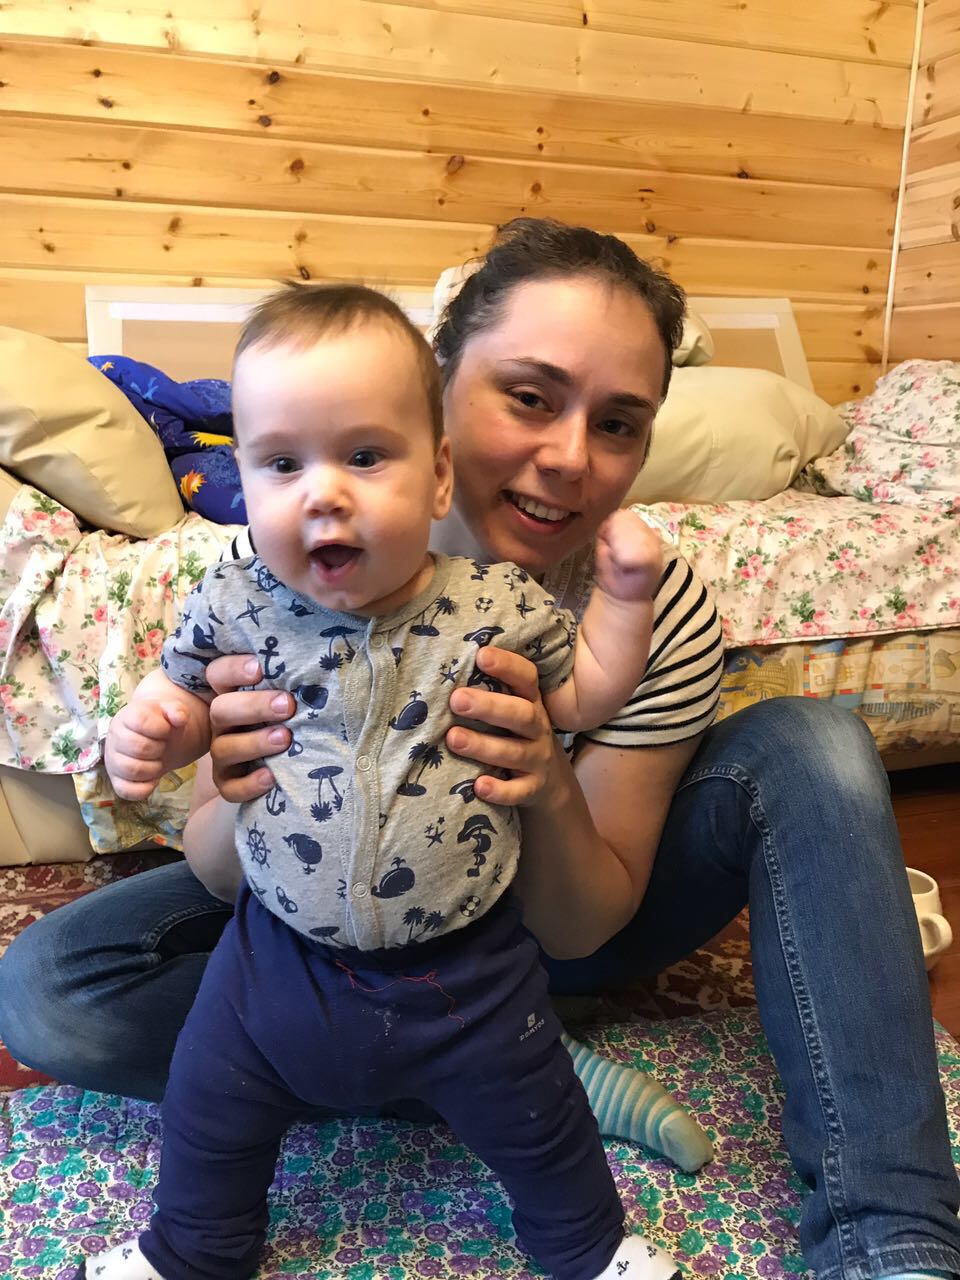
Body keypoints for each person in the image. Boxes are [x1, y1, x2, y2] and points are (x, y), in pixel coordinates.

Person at [1, 218, 958, 1280]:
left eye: (619, 423)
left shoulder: (645, 608)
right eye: (531, 396)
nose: (570, 458)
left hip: (533, 931)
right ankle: (514, 1072)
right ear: (442, 387)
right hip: (312, 917)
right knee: (50, 988)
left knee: (816, 742)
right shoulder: (284, 577)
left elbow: (584, 922)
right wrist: (231, 780)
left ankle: (892, 1237)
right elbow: (226, 877)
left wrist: (544, 780)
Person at [72, 281, 697, 1280]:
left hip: (469, 968)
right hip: (274, 957)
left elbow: (585, 692)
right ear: (243, 476)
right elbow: (179, 690)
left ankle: (589, 1248)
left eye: (364, 456)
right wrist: (152, 731)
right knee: (208, 1105)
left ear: (437, 475)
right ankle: (191, 1248)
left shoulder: (496, 603)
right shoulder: (237, 596)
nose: (322, 493)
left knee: (541, 1125)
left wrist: (624, 596)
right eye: (282, 463)